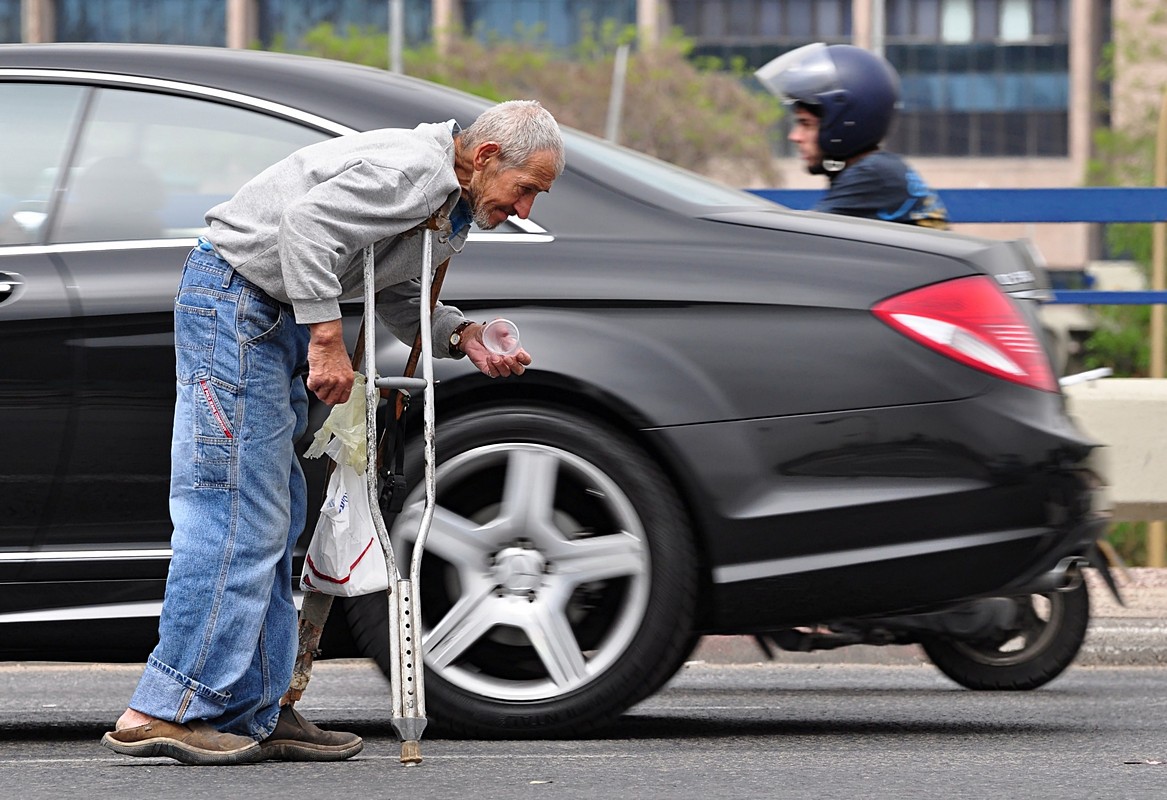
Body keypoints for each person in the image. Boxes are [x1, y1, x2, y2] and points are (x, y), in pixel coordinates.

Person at [100, 99, 566, 766]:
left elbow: (394, 289)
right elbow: (307, 229)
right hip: (238, 302)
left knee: (271, 516)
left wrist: (460, 334)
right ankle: (164, 709)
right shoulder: (413, 173)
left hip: (265, 310)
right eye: (526, 190)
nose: (525, 209)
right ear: (487, 157)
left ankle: (254, 710)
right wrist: (326, 340)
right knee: (232, 509)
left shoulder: (451, 197)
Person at [755, 43, 948, 229]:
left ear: (844, 125)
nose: (794, 136)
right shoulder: (879, 169)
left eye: (806, 124)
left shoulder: (871, 176)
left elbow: (802, 241)